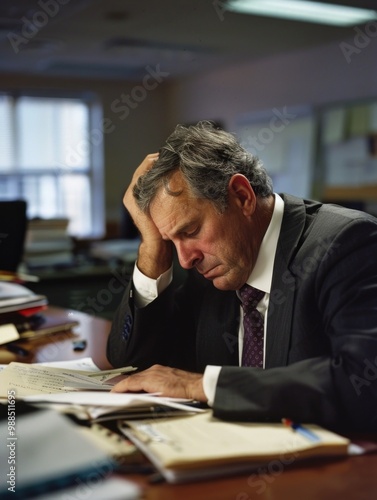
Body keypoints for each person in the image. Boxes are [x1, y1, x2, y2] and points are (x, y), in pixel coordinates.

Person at [107, 121, 377, 432]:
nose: (185, 259)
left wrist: (204, 386)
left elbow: (363, 383)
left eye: (191, 231)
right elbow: (132, 365)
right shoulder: (210, 268)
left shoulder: (346, 244)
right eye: (171, 241)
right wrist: (153, 249)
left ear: (242, 196)